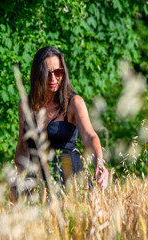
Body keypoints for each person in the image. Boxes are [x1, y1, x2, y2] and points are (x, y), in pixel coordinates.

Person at [14, 46, 108, 193]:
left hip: (71, 185)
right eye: (47, 73)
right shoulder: (25, 105)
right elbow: (23, 146)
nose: (53, 78)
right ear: (37, 74)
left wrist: (99, 161)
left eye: (58, 72)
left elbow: (90, 136)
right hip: (37, 188)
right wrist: (19, 180)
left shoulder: (74, 103)